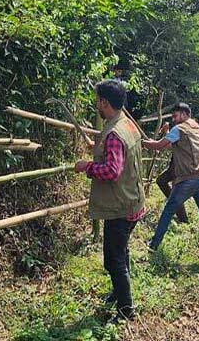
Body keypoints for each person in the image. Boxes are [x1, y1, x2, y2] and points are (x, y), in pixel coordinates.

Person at [74, 79, 145, 323]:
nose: (97, 106)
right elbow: (117, 152)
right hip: (133, 201)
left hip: (120, 205)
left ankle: (126, 310)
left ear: (105, 102)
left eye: (98, 102)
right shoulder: (127, 124)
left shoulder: (115, 132)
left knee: (113, 259)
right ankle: (119, 292)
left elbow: (112, 171)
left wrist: (87, 166)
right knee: (121, 251)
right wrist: (97, 148)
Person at [142, 103, 199, 271]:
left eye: (175, 116)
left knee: (168, 211)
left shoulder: (180, 128)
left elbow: (160, 146)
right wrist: (163, 136)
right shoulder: (197, 127)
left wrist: (144, 142)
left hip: (188, 180)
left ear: (183, 114)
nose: (174, 120)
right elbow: (170, 144)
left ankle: (153, 245)